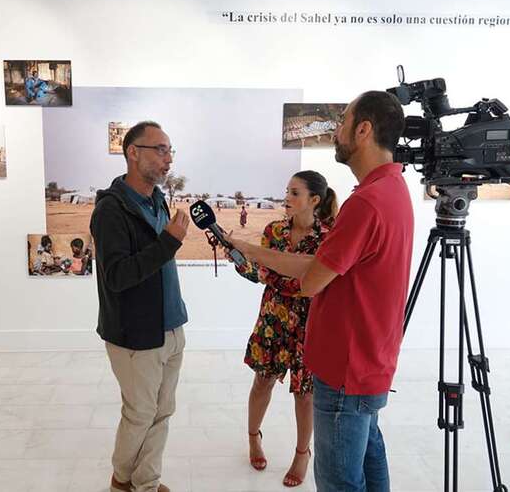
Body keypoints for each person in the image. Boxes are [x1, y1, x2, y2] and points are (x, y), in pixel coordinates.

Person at [229, 91, 412, 491]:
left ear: (363, 130)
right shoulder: (393, 189)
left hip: (346, 367)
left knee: (339, 481)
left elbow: (311, 280)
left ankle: (302, 454)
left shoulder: (365, 203)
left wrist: (256, 254)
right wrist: (249, 250)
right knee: (370, 459)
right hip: (368, 361)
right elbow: (322, 268)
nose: (335, 130)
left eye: (343, 121)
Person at [90, 121, 189, 492]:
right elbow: (117, 276)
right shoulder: (110, 211)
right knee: (140, 413)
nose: (168, 159)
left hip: (172, 325)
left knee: (162, 412)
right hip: (135, 333)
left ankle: (146, 480)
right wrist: (169, 242)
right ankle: (121, 481)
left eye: (170, 151)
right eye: (160, 150)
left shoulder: (157, 199)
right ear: (133, 153)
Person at [237, 171, 338, 488]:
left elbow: (313, 281)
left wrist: (276, 275)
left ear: (315, 199)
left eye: (295, 193)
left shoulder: (328, 237)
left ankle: (302, 454)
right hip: (273, 318)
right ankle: (253, 438)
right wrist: (240, 260)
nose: (287, 198)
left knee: (305, 394)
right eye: (287, 191)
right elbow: (261, 273)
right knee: (262, 382)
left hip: (311, 323)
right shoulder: (274, 230)